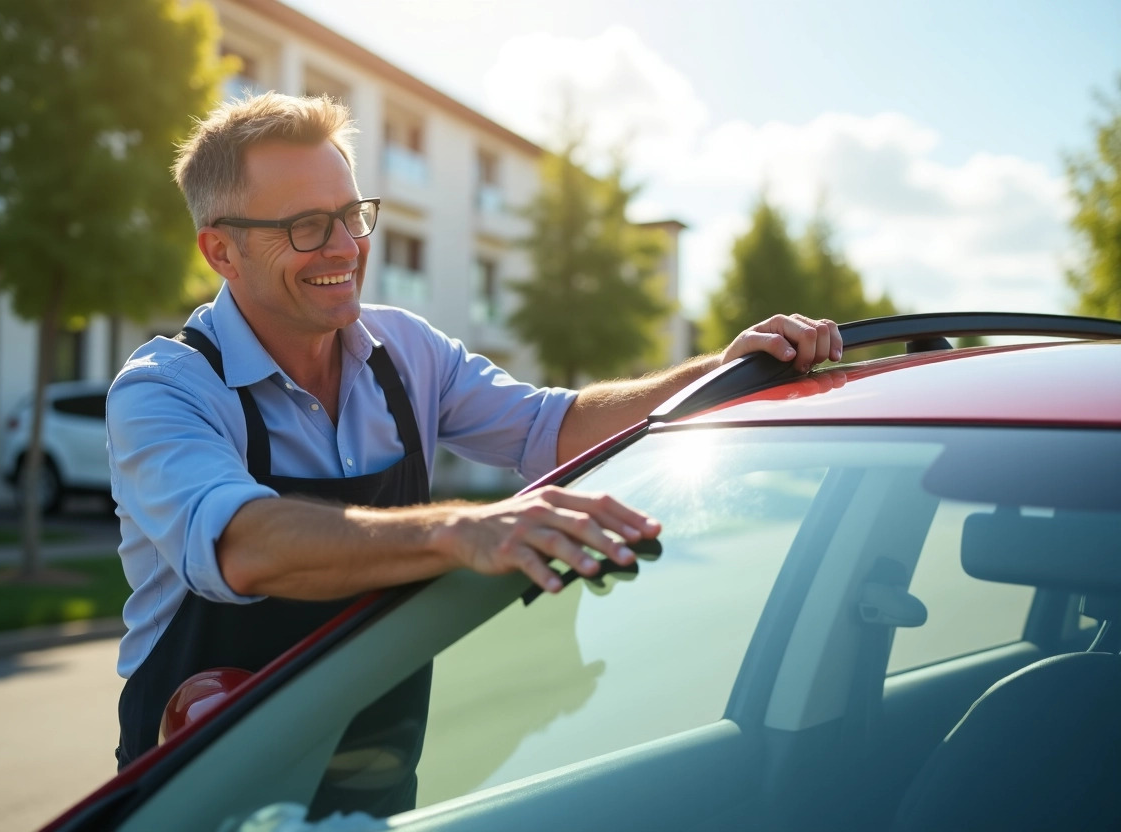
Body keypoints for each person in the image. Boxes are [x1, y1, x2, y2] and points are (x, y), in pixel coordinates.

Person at [107, 91, 842, 812]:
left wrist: (722, 370)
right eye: (305, 226)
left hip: (376, 790)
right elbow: (243, 544)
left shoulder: (408, 352)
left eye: (351, 215)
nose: (345, 248)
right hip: (198, 800)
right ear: (220, 250)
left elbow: (551, 426)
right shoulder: (163, 390)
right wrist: (463, 528)